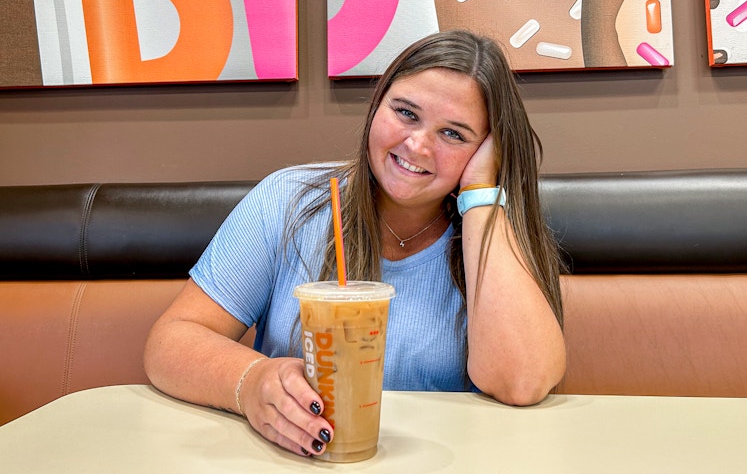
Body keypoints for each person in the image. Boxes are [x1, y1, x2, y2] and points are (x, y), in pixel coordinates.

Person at [144, 29, 566, 458]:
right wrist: (251, 382)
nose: (417, 145)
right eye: (405, 113)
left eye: (454, 134)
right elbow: (171, 342)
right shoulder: (290, 201)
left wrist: (479, 197)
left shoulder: (497, 234)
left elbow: (522, 382)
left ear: (487, 150)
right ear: (377, 105)